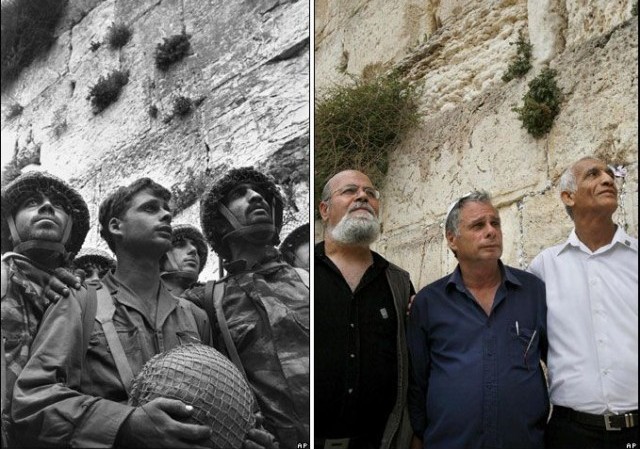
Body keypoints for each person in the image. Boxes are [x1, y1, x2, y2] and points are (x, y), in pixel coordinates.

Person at [10, 177, 275, 448]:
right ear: (116, 226)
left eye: (167, 212)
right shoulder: (78, 300)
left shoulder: (196, 316)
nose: (165, 215)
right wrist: (127, 424)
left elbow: (218, 394)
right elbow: (33, 401)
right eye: (150, 209)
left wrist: (242, 434)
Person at [407, 190, 549, 449]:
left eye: (495, 223)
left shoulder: (533, 292)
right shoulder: (429, 303)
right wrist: (418, 434)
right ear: (452, 239)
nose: (491, 231)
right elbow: (417, 381)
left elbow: (556, 360)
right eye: (478, 225)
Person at [528, 156, 638, 449]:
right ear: (568, 196)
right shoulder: (544, 267)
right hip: (571, 434)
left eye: (609, 173)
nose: (607, 179)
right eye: (593, 174)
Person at [198, 166, 309, 449]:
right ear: (221, 222)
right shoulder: (209, 302)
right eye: (240, 193)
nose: (256, 196)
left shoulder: (310, 279)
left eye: (260, 193)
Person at [315, 169, 414, 449]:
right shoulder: (301, 273)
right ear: (324, 209)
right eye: (349, 191)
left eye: (370, 193)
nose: (362, 197)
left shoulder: (398, 282)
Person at [1, 171, 90, 446]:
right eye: (31, 202)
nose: (47, 207)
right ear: (9, 224)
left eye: (59, 206)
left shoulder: (85, 297)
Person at [160, 223, 208, 297]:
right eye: (179, 245)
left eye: (195, 246)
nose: (193, 249)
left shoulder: (211, 294)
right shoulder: (144, 297)